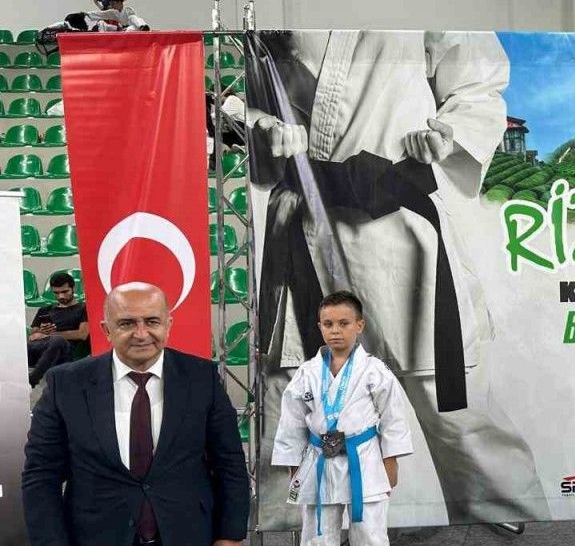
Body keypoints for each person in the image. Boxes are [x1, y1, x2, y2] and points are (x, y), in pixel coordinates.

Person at [245, 30, 548, 524]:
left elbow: (477, 83)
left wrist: (450, 131)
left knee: (457, 413)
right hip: (304, 229)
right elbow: (241, 98)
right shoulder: (270, 13)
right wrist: (262, 127)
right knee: (294, 408)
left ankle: (514, 529)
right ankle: (290, 532)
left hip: (398, 225)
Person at [22, 282, 250, 546]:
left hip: (188, 533)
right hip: (95, 536)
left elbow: (229, 462)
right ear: (106, 330)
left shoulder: (202, 377)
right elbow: (41, 474)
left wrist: (230, 536)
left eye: (152, 321)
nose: (141, 334)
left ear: (168, 325)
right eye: (127, 323)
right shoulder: (66, 384)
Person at [272, 291, 413, 546]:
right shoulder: (307, 372)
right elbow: (291, 423)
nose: (335, 330)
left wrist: (390, 460)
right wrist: (294, 466)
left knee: (370, 534)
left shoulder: (374, 370)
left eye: (343, 323)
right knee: (317, 536)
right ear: (320, 327)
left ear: (359, 325)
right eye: (328, 324)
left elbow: (393, 418)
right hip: (319, 459)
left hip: (364, 458)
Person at [27, 271, 90, 387]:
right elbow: (33, 335)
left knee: (57, 340)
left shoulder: (83, 308)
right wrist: (40, 332)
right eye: (56, 293)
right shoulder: (44, 310)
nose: (61, 296)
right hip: (42, 348)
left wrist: (50, 335)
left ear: (73, 288)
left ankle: (32, 380)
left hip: (67, 351)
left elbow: (82, 334)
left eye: (65, 292)